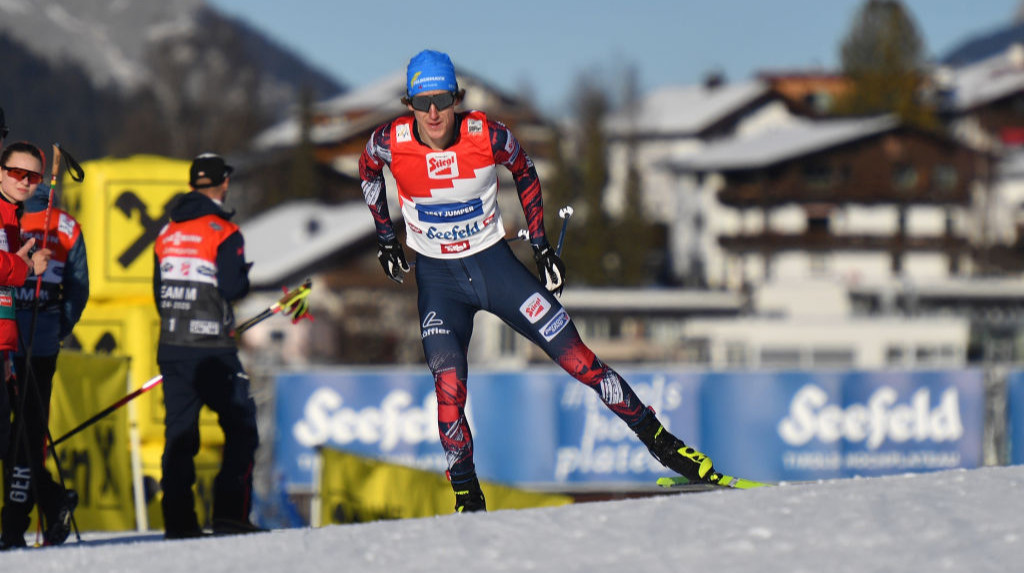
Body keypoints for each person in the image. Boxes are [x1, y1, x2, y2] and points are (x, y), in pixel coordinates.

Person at [358, 50, 723, 513]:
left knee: (579, 360)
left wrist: (542, 246)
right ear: (409, 103)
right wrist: (386, 238)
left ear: (456, 99)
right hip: (439, 280)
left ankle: (667, 447)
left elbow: (525, 171)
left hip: (495, 268)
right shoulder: (389, 141)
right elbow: (367, 169)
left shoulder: (486, 134)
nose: (433, 113)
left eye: (442, 99)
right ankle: (468, 498)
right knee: (449, 387)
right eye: (422, 101)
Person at [152, 153, 261, 538]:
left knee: (180, 433)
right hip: (212, 346)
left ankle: (178, 523)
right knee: (242, 426)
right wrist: (243, 278)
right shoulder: (223, 231)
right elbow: (232, 288)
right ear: (224, 183)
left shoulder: (167, 232)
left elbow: (157, 293)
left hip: (172, 343)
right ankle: (230, 514)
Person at [3, 177, 89, 549]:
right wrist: (60, 327)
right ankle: (51, 501)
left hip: (16, 336)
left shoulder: (10, 216)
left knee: (21, 436)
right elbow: (79, 287)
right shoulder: (68, 224)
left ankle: (15, 525)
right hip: (41, 339)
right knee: (27, 434)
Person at [0, 141, 57, 549]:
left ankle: (31, 514)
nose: (24, 182)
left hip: (6, 346)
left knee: (13, 440)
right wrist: (24, 267)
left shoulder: (13, 219)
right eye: (17, 173)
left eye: (33, 177)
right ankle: (51, 502)